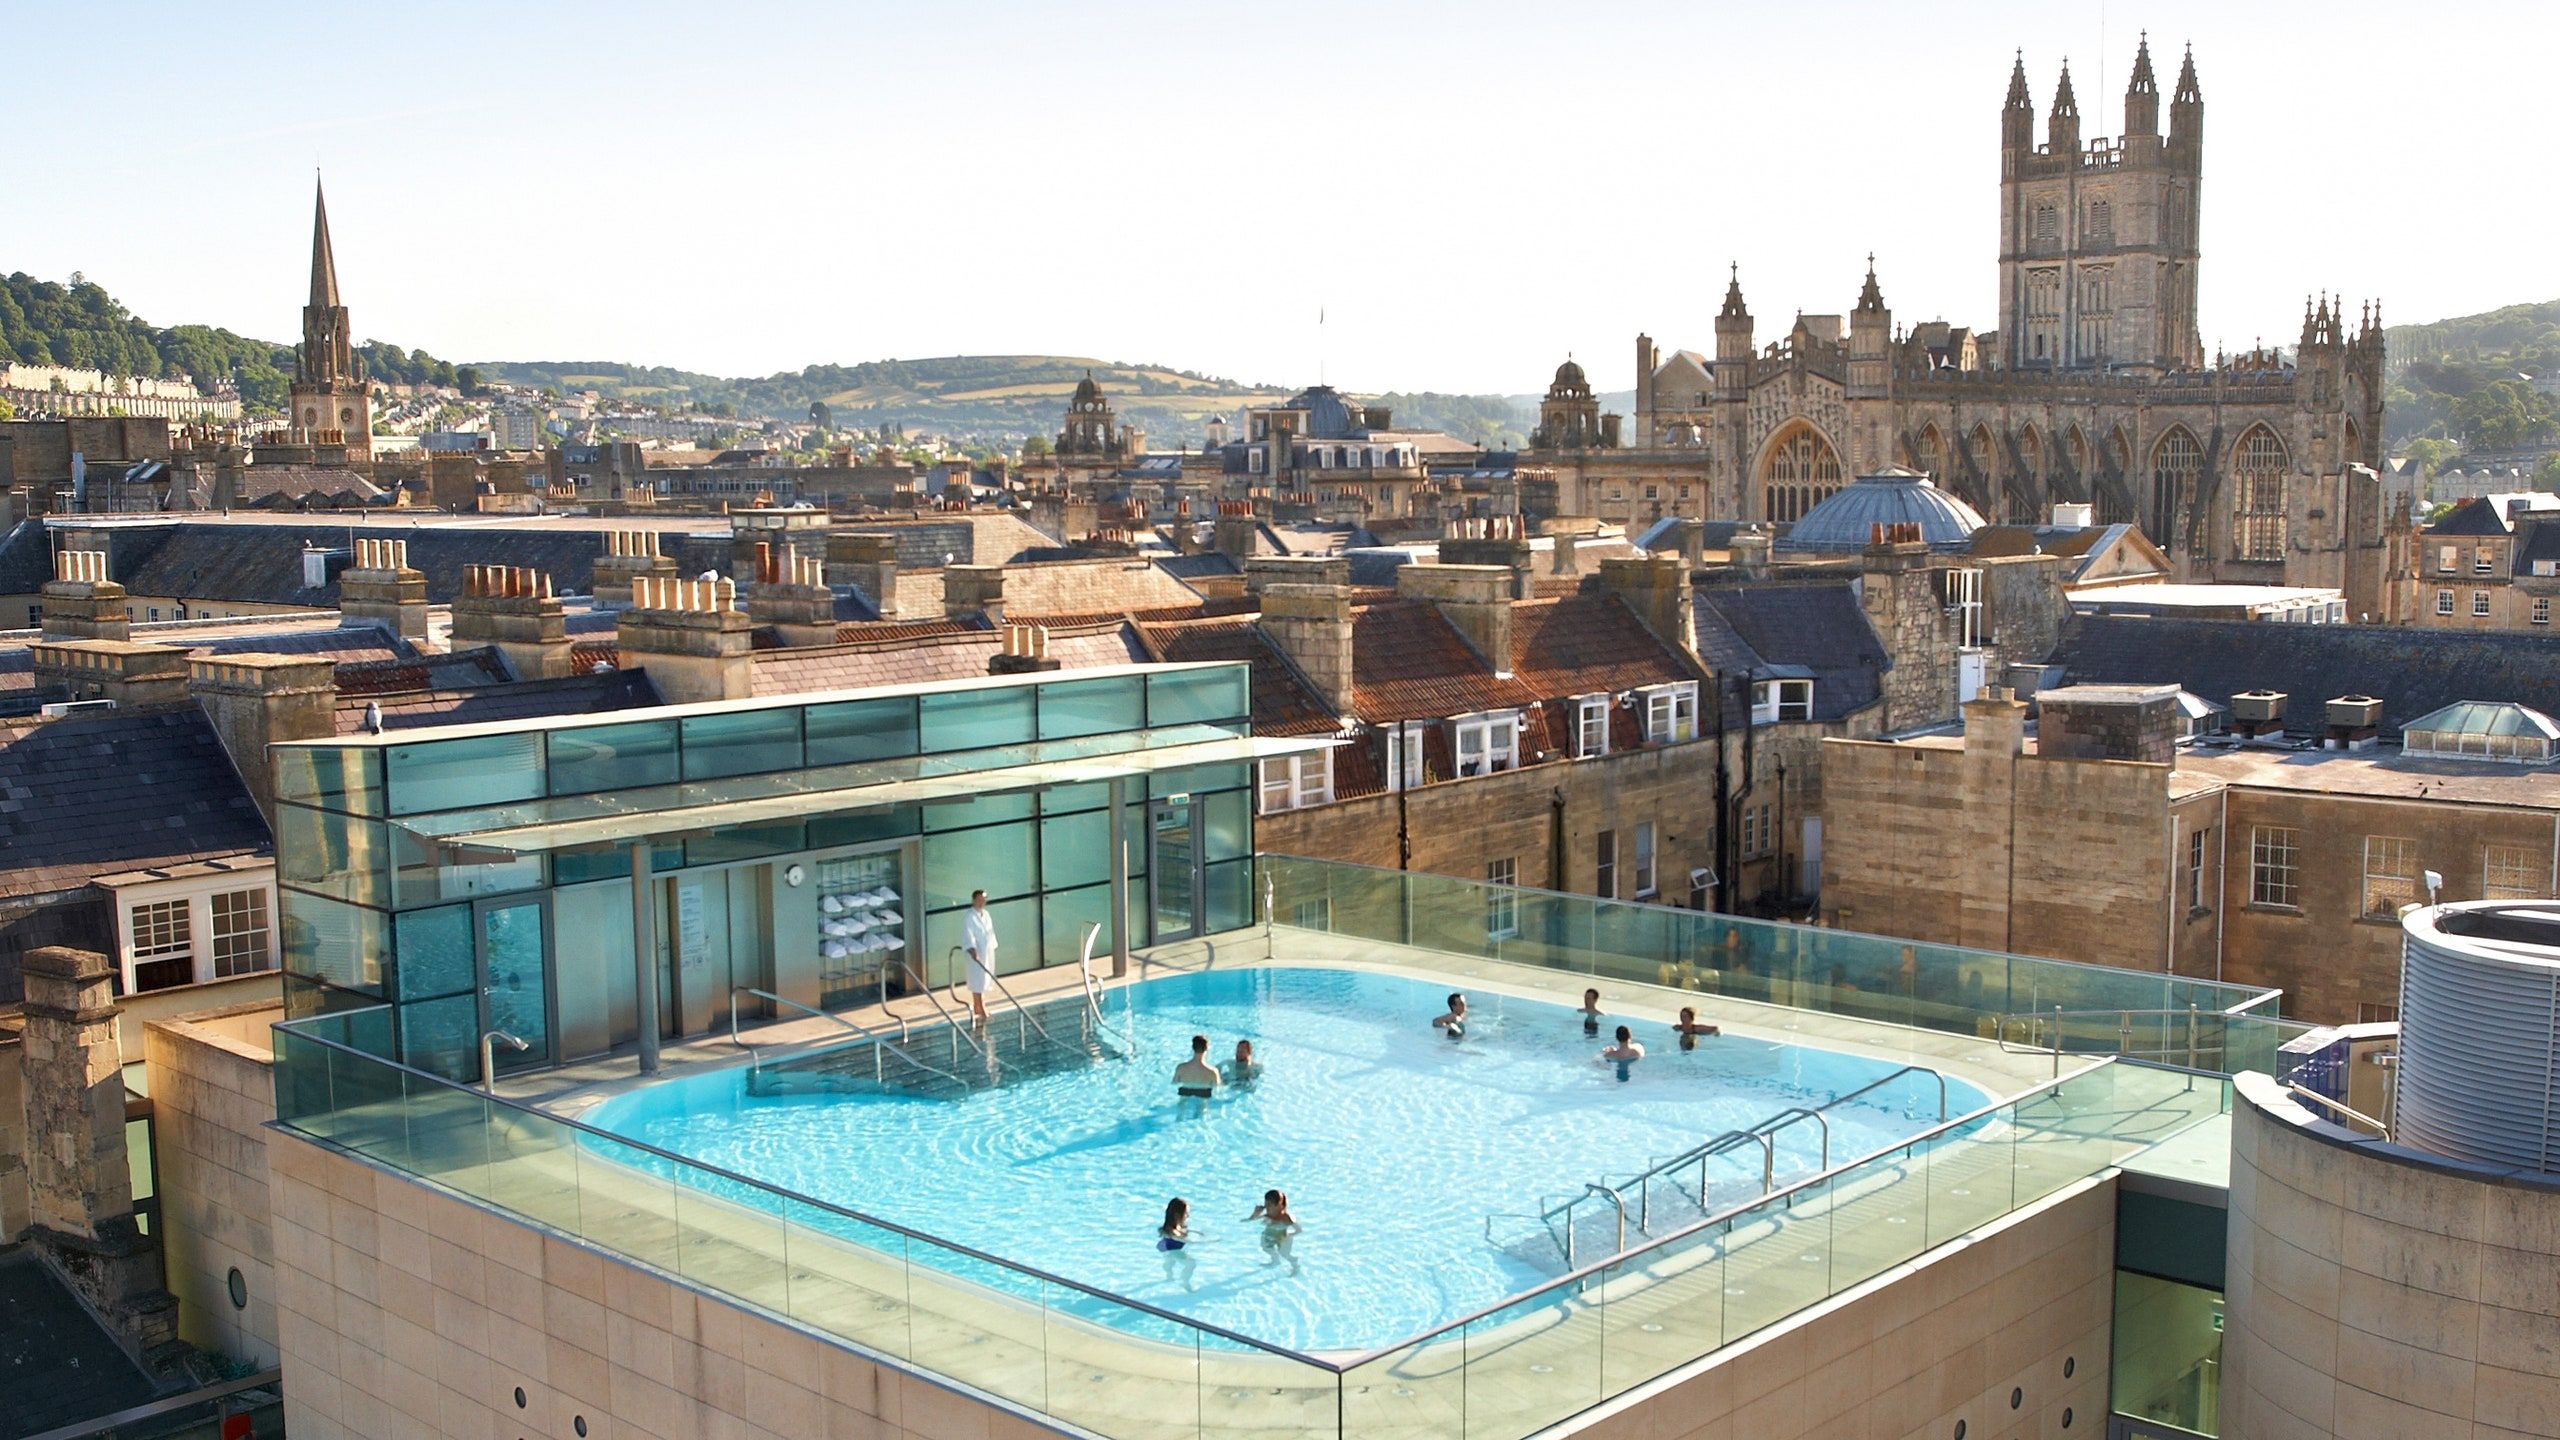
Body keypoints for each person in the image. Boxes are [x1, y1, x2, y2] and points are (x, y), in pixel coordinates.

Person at [960, 890, 998, 1024]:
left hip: (986, 951)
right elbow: (968, 933)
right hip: (975, 952)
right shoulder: (969, 916)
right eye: (979, 899)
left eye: (984, 900)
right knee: (977, 979)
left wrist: (992, 945)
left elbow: (990, 931)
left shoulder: (986, 914)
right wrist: (972, 948)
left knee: (985, 978)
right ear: (974, 900)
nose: (982, 902)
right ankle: (979, 1005)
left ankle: (980, 1005)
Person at [1244, 1189, 1301, 1274]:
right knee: (1265, 1248)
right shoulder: (1268, 1215)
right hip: (1269, 1236)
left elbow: (1299, 1230)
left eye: (1269, 1204)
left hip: (1283, 1238)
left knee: (1284, 1254)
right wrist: (1255, 1213)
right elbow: (1247, 1221)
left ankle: (1295, 1265)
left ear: (1279, 1205)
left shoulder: (1286, 1217)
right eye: (1265, 1204)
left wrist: (1289, 1235)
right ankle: (1276, 1261)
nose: (1266, 1207)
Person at [1156, 1198, 1197, 1288]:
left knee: (1169, 1263)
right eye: (1186, 1213)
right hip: (1173, 1250)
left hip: (1167, 1248)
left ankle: (1169, 1277)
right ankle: (1184, 1282)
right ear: (1178, 1215)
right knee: (1191, 1263)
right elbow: (1182, 1239)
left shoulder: (1173, 1227)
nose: (1188, 1216)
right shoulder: (1172, 1231)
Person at [1174, 1034, 1223, 1100]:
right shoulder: (1212, 1071)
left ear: (1193, 1047)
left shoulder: (1180, 1068)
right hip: (1203, 1096)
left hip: (1184, 1094)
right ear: (1207, 1048)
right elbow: (1218, 1090)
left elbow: (1174, 1084)